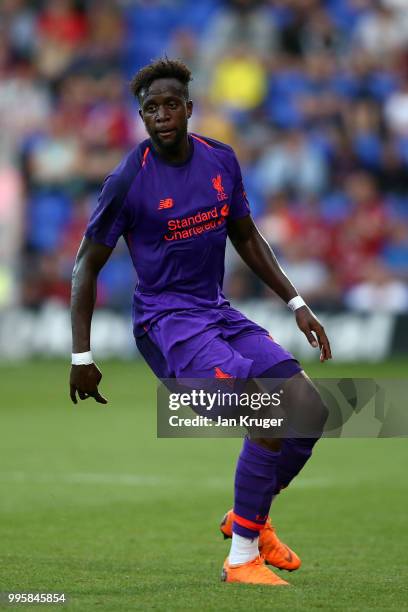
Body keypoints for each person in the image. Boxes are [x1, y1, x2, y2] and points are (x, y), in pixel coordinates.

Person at [69, 58, 332, 586]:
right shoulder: (127, 180)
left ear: (189, 109)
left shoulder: (221, 160)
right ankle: (241, 560)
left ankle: (248, 521)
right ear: (141, 117)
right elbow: (86, 265)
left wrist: (295, 300)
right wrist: (82, 356)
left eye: (170, 105)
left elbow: (246, 235)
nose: (161, 116)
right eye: (150, 109)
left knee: (309, 409)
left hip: (215, 312)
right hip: (168, 325)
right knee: (267, 411)